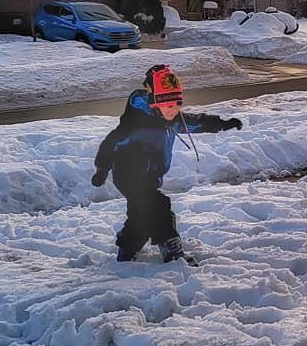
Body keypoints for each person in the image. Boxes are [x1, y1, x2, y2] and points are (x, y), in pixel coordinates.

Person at [92, 64, 242, 262]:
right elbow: (111, 143)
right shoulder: (135, 124)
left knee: (140, 215)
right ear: (155, 103)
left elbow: (197, 121)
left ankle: (127, 249)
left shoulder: (171, 119)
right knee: (158, 207)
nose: (174, 110)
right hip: (128, 175)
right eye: (169, 105)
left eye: (178, 104)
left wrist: (222, 123)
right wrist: (102, 168)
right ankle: (172, 251)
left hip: (150, 176)